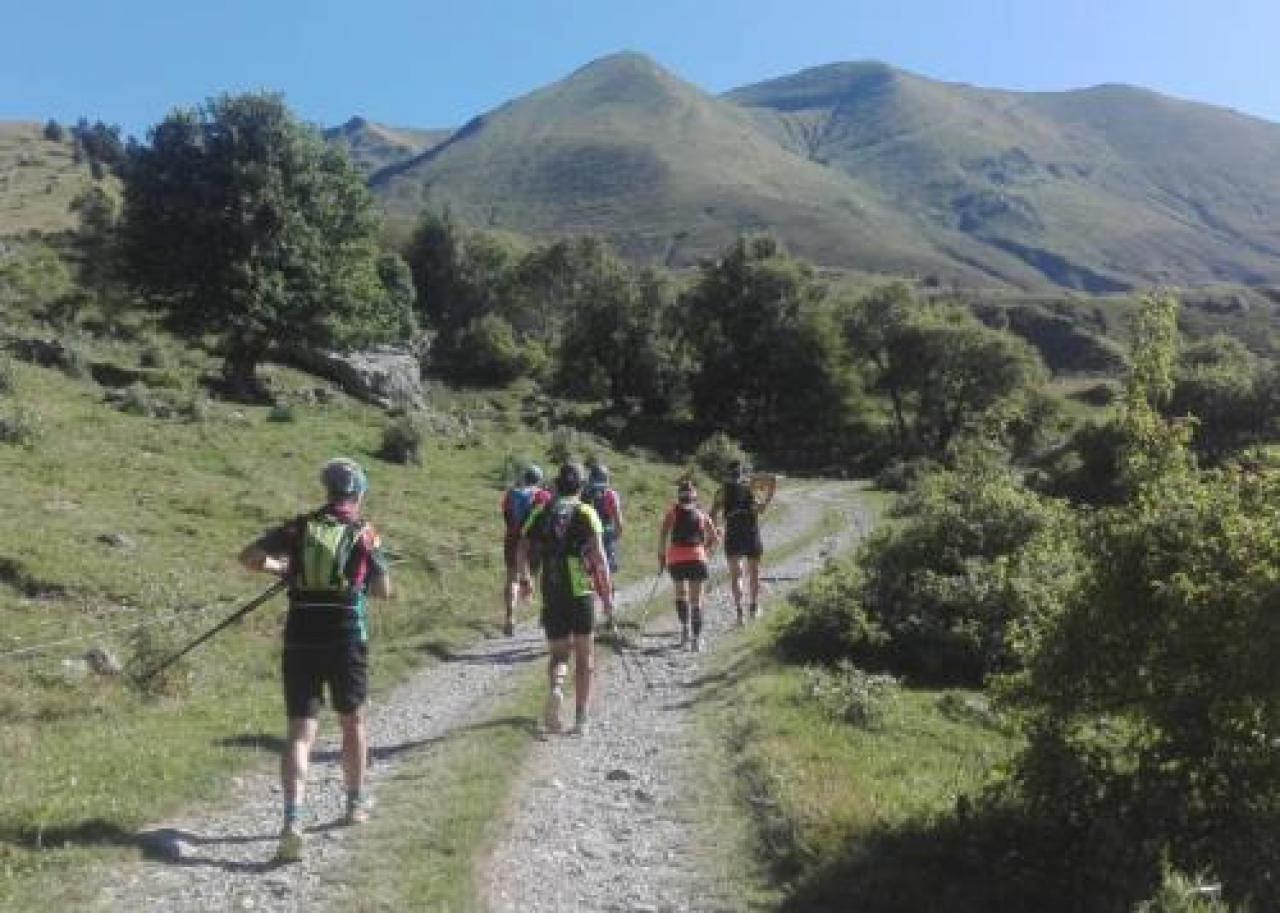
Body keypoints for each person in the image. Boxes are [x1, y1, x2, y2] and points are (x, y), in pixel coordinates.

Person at [238, 457, 392, 864]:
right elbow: (383, 589)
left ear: (327, 490)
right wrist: (358, 582)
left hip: (301, 634)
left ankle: (292, 820)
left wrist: (283, 570)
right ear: (358, 494)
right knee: (352, 721)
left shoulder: (299, 527)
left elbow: (249, 556)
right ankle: (355, 803)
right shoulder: (364, 532)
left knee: (300, 730)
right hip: (346, 635)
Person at [517, 462, 615, 736]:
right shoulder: (587, 511)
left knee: (559, 653)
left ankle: (557, 688)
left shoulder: (542, 509)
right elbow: (600, 557)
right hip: (580, 588)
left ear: (557, 485)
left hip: (552, 585)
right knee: (585, 656)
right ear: (581, 486)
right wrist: (607, 596)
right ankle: (581, 718)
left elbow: (522, 546)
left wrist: (525, 579)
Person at [711, 460, 776, 625]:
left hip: (733, 533)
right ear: (742, 472)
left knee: (736, 574)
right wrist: (767, 499)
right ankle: (754, 608)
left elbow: (712, 514)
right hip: (750, 532)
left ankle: (740, 613)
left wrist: (715, 531)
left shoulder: (722, 491)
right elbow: (761, 507)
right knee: (754, 571)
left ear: (728, 473)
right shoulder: (750, 488)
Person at [658, 480, 719, 652]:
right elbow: (715, 538)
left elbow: (663, 535)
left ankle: (684, 630)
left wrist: (661, 556)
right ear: (694, 496)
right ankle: (696, 640)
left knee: (680, 595)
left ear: (679, 496)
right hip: (697, 558)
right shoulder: (702, 514)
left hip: (676, 559)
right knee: (696, 601)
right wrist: (704, 550)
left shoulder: (672, 513)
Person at [500, 465, 551, 637]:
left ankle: (510, 618)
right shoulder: (543, 495)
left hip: (512, 538)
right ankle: (543, 613)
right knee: (538, 575)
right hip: (535, 541)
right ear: (539, 479)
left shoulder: (511, 494)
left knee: (512, 577)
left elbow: (506, 516)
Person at [582, 461, 624, 587]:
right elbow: (618, 519)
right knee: (607, 563)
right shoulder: (611, 494)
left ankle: (590, 587)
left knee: (588, 565)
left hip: (587, 532)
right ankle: (608, 588)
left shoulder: (584, 492)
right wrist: (617, 534)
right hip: (606, 531)